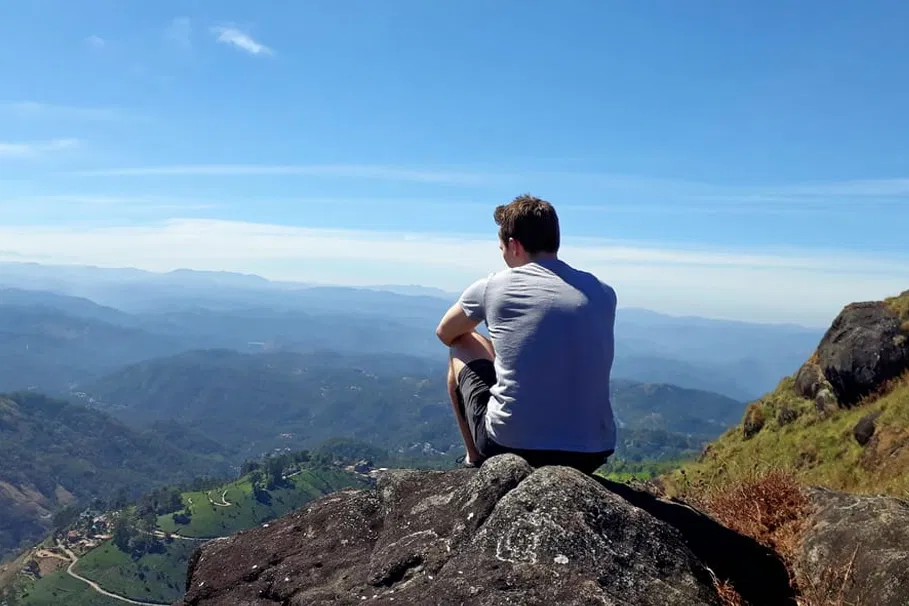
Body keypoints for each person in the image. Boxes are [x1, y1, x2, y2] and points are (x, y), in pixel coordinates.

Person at [435, 194, 618, 474]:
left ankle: (475, 460)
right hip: (593, 451)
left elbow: (446, 333)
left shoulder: (492, 286)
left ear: (513, 245)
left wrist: (493, 345)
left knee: (462, 343)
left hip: (511, 445)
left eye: (501, 248)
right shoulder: (602, 292)